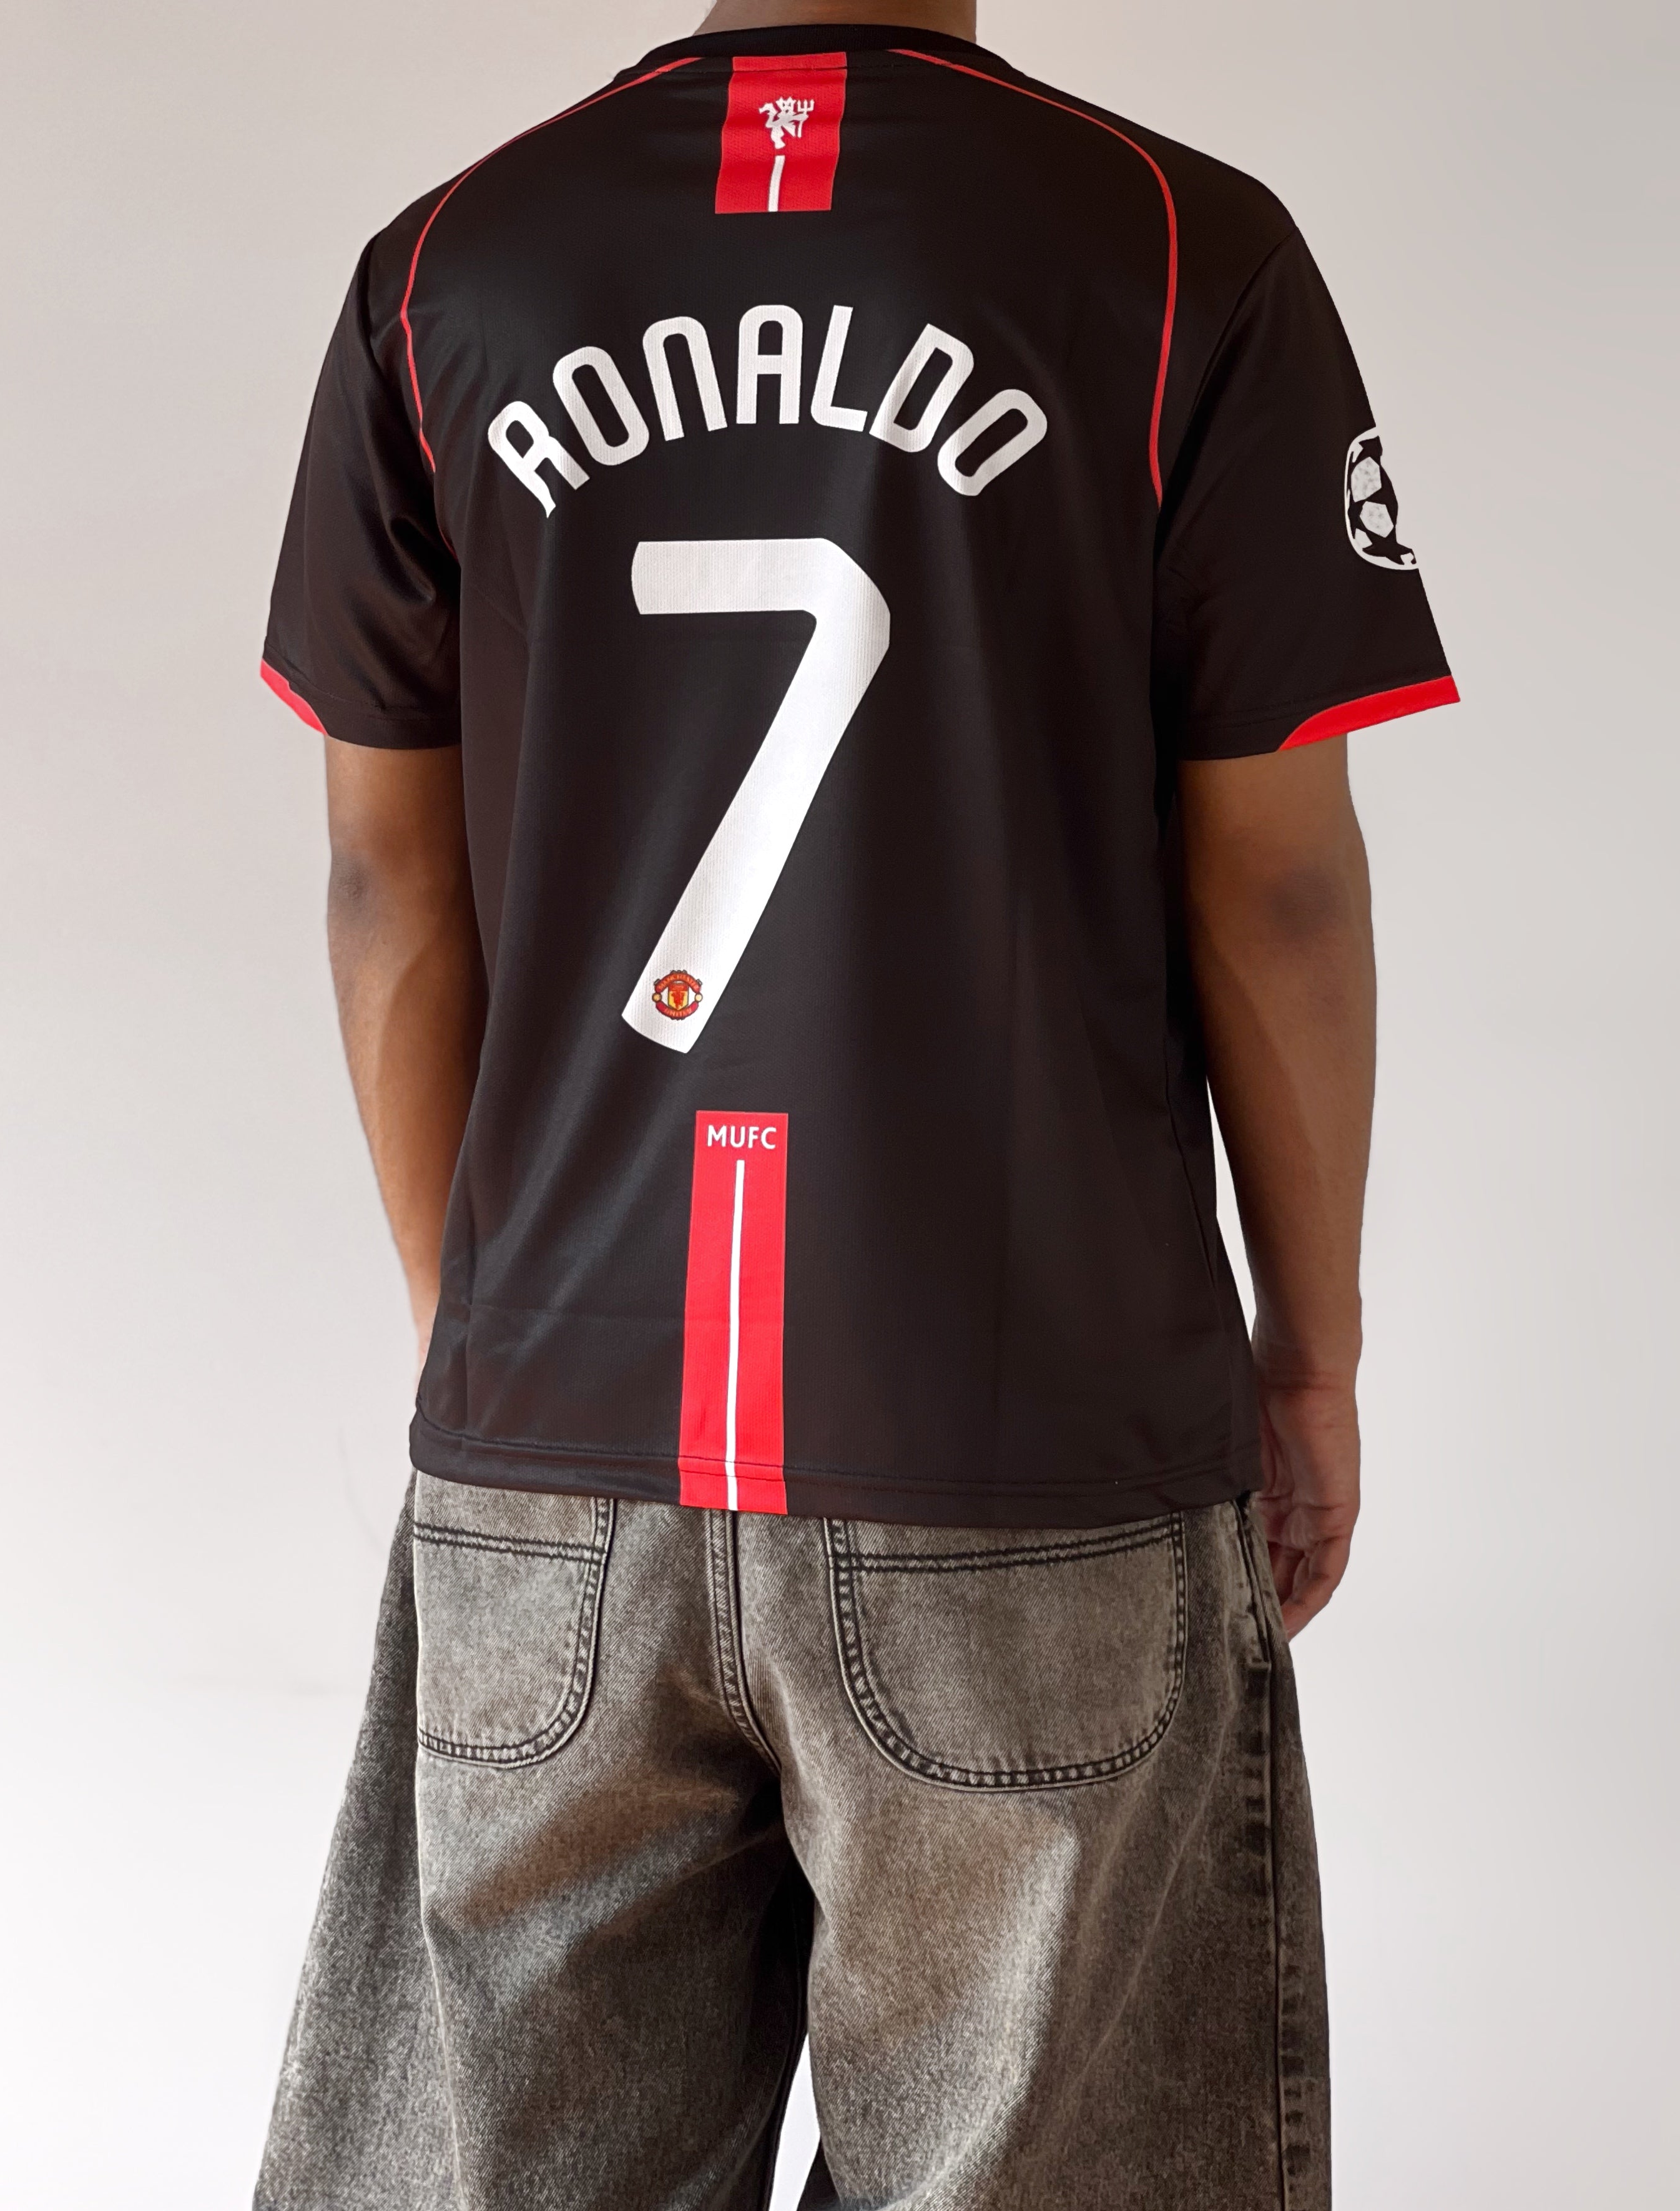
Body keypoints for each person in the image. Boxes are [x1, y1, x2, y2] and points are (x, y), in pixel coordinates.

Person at [255, 2, 1455, 2205]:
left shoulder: (446, 268)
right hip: (1027, 1438)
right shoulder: (1173, 247)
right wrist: (1315, 1355)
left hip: (556, 1448)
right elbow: (1276, 883)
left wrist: (479, 1331)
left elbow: (380, 879)